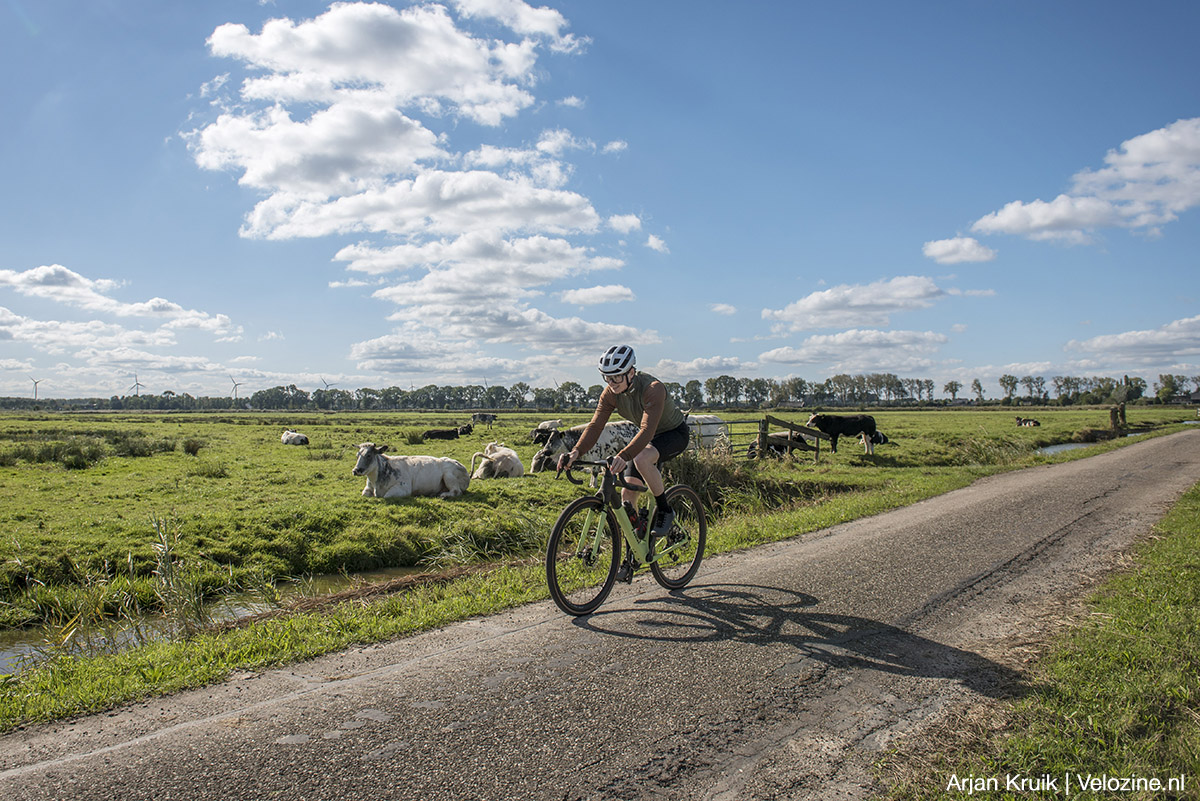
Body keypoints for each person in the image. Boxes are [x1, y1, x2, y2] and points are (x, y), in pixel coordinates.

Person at [557, 345, 690, 539]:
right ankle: (636, 548)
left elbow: (646, 430)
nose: (611, 383)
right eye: (607, 377)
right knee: (627, 496)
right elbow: (595, 426)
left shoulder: (653, 388)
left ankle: (665, 510)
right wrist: (575, 452)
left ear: (631, 372)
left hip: (673, 433)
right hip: (647, 438)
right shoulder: (611, 394)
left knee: (642, 458)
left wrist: (623, 455)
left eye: (616, 377)